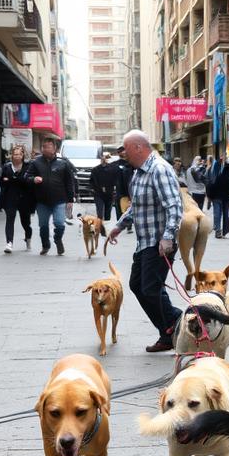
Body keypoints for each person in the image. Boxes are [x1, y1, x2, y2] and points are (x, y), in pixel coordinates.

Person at [107, 130, 183, 353]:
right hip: (144, 241)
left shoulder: (159, 169)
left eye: (126, 149)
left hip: (159, 243)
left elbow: (174, 206)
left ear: (139, 147)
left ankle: (178, 322)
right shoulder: (139, 172)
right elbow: (136, 206)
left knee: (150, 289)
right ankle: (169, 330)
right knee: (137, 285)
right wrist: (120, 225)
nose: (124, 153)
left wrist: (168, 237)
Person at [29, 136, 78, 255]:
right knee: (43, 226)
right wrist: (33, 179)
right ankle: (46, 245)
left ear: (55, 148)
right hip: (42, 201)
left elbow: (69, 182)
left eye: (48, 146)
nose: (45, 149)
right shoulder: (36, 162)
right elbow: (26, 177)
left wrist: (70, 199)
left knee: (60, 223)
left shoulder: (63, 163)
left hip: (60, 200)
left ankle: (58, 239)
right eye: (44, 147)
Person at [0, 144, 35, 253]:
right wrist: (15, 180)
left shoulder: (28, 167)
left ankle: (28, 238)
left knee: (25, 223)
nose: (16, 156)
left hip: (24, 199)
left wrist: (11, 180)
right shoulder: (7, 167)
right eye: (14, 154)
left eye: (19, 154)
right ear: (12, 156)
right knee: (10, 220)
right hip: (10, 198)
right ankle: (9, 243)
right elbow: (2, 182)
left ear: (22, 155)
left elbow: (28, 182)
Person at [206, 149, 229, 238]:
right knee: (218, 212)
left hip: (224, 194)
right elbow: (210, 181)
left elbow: (209, 181)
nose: (224, 157)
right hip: (218, 194)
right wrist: (210, 195)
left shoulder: (227, 167)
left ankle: (223, 231)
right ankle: (219, 230)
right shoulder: (217, 167)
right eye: (223, 156)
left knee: (223, 213)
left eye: (225, 156)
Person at [89, 151, 120, 220]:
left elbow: (116, 180)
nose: (103, 159)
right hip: (98, 193)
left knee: (107, 213)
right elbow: (91, 181)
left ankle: (106, 228)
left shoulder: (113, 169)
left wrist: (115, 188)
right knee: (100, 212)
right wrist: (92, 189)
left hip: (109, 193)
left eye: (105, 158)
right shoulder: (95, 169)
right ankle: (99, 227)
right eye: (102, 158)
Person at [114, 146, 133, 229]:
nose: (122, 153)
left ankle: (129, 225)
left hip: (129, 189)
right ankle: (120, 223)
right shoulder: (115, 164)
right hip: (119, 189)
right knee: (118, 207)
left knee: (128, 207)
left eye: (123, 151)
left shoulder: (131, 164)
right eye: (119, 152)